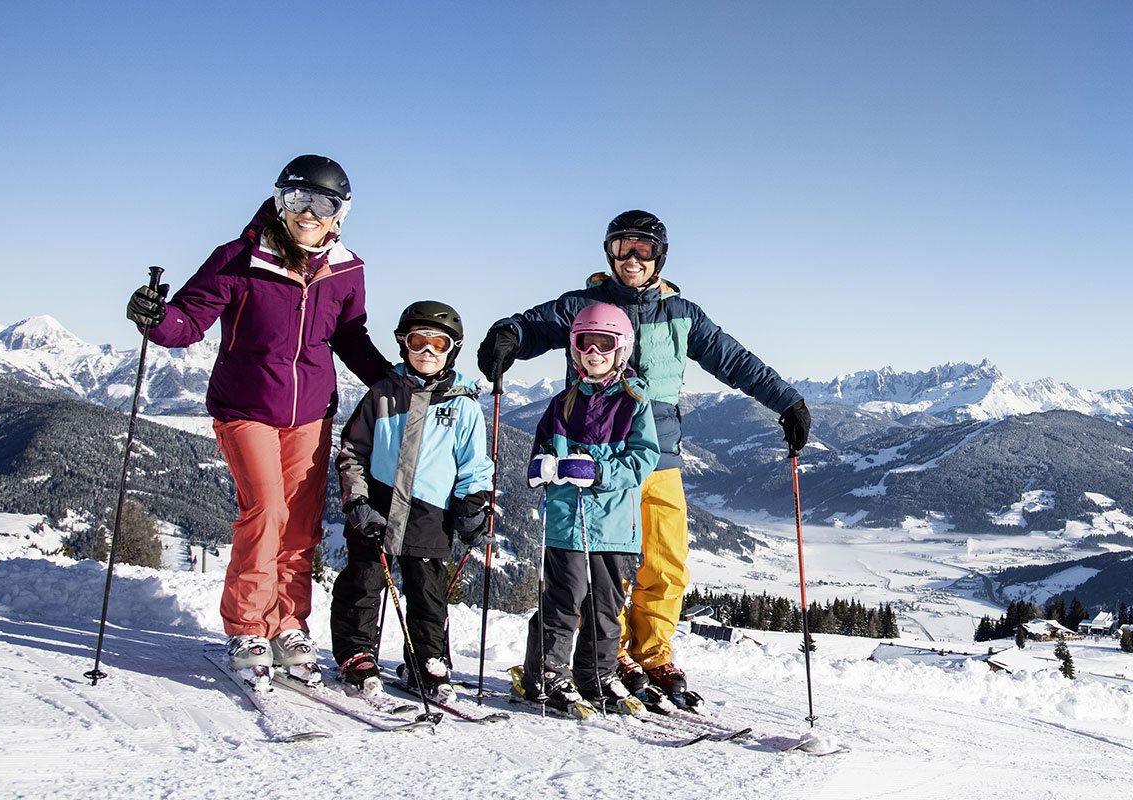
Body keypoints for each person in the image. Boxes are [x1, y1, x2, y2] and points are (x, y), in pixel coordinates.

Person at [478, 210, 809, 707]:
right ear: (608, 253)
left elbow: (734, 361)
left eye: (643, 249)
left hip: (659, 453)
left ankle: (653, 652)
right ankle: (604, 656)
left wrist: (786, 400)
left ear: (661, 255)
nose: (631, 258)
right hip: (592, 459)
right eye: (621, 248)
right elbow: (530, 325)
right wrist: (507, 336)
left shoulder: (682, 314)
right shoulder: (583, 304)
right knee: (598, 563)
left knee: (665, 559)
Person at [125, 155, 388, 683]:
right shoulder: (239, 259)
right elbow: (188, 320)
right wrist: (156, 319)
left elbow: (349, 336)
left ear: (341, 214)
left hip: (310, 412)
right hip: (245, 408)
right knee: (266, 511)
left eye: (324, 204)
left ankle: (288, 622)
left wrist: (388, 379)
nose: (309, 213)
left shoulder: (347, 270)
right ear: (278, 200)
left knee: (300, 526)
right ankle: (247, 626)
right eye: (297, 199)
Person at [331, 301, 495, 703]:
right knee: (364, 581)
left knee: (427, 592)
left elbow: (475, 464)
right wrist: (357, 501)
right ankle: (357, 653)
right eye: (417, 341)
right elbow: (352, 450)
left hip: (430, 512)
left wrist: (472, 506)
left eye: (437, 344)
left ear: (451, 350)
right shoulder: (383, 394)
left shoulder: (464, 406)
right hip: (378, 506)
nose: (426, 352)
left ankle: (428, 659)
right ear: (403, 344)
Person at [517, 303, 660, 716]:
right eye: (585, 343)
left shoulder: (635, 404)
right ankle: (546, 673)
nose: (594, 352)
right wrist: (542, 466)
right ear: (574, 348)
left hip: (614, 524)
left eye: (605, 344)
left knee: (605, 605)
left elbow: (641, 461)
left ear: (622, 349)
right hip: (566, 523)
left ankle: (595, 674)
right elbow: (540, 452)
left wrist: (599, 471)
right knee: (564, 600)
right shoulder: (563, 403)